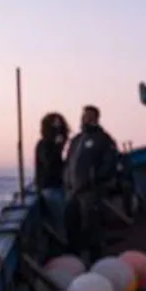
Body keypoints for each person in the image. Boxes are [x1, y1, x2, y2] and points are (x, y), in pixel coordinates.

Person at [63, 105, 119, 264]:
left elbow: (109, 164)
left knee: (92, 228)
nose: (84, 118)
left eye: (88, 116)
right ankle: (75, 261)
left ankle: (95, 262)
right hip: (73, 191)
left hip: (91, 192)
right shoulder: (76, 140)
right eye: (83, 115)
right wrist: (66, 181)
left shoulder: (103, 139)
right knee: (71, 224)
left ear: (95, 118)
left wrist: (94, 180)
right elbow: (69, 162)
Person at [33, 112, 69, 241]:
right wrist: (58, 147)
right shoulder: (44, 144)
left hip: (57, 187)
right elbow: (49, 162)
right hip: (50, 188)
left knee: (62, 219)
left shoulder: (48, 144)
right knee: (60, 222)